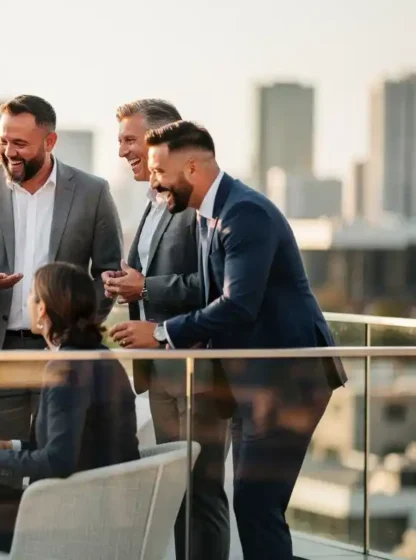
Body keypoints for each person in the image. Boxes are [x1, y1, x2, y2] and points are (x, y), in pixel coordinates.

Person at [130, 120, 348, 560]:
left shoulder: (244, 213)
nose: (153, 183)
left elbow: (238, 305)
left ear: (192, 167)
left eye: (159, 171)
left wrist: (162, 332)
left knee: (256, 507)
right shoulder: (210, 214)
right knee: (254, 507)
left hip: (288, 382)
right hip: (251, 383)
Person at [0, 95, 123, 457]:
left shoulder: (93, 192)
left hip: (63, 355)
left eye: (20, 143)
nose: (9, 152)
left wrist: (77, 329)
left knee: (60, 465)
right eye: (3, 141)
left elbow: (108, 273)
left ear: (50, 141)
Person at [0, 262, 140, 560]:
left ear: (43, 309)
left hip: (72, 520)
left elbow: (58, 460)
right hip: (98, 507)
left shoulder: (67, 368)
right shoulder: (97, 356)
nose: (28, 302)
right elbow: (74, 443)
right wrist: (8, 445)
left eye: (32, 295)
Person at [105, 99, 230, 560]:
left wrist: (146, 286)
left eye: (130, 140)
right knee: (177, 488)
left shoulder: (198, 200)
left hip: (199, 371)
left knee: (203, 492)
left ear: (161, 139)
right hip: (160, 371)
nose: (123, 151)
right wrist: (125, 283)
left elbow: (212, 284)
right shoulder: (150, 203)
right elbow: (146, 274)